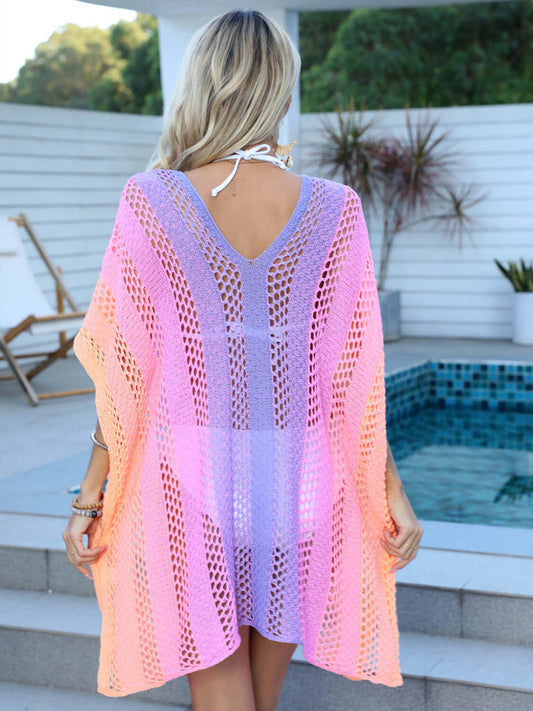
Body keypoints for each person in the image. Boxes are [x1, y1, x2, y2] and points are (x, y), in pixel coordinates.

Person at [62, 9, 423, 711]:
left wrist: (89, 497)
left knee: (223, 699)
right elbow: (353, 382)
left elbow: (124, 376)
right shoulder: (335, 208)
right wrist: (393, 492)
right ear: (279, 87)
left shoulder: (153, 199)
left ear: (200, 83)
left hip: (191, 479)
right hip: (299, 479)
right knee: (258, 699)